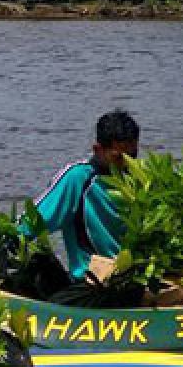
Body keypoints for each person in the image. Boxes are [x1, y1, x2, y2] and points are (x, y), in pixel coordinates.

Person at [27, 109, 138, 281]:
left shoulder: (141, 181)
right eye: (118, 158)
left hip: (135, 279)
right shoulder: (77, 178)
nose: (127, 163)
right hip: (92, 284)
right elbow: (33, 222)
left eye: (132, 156)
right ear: (97, 150)